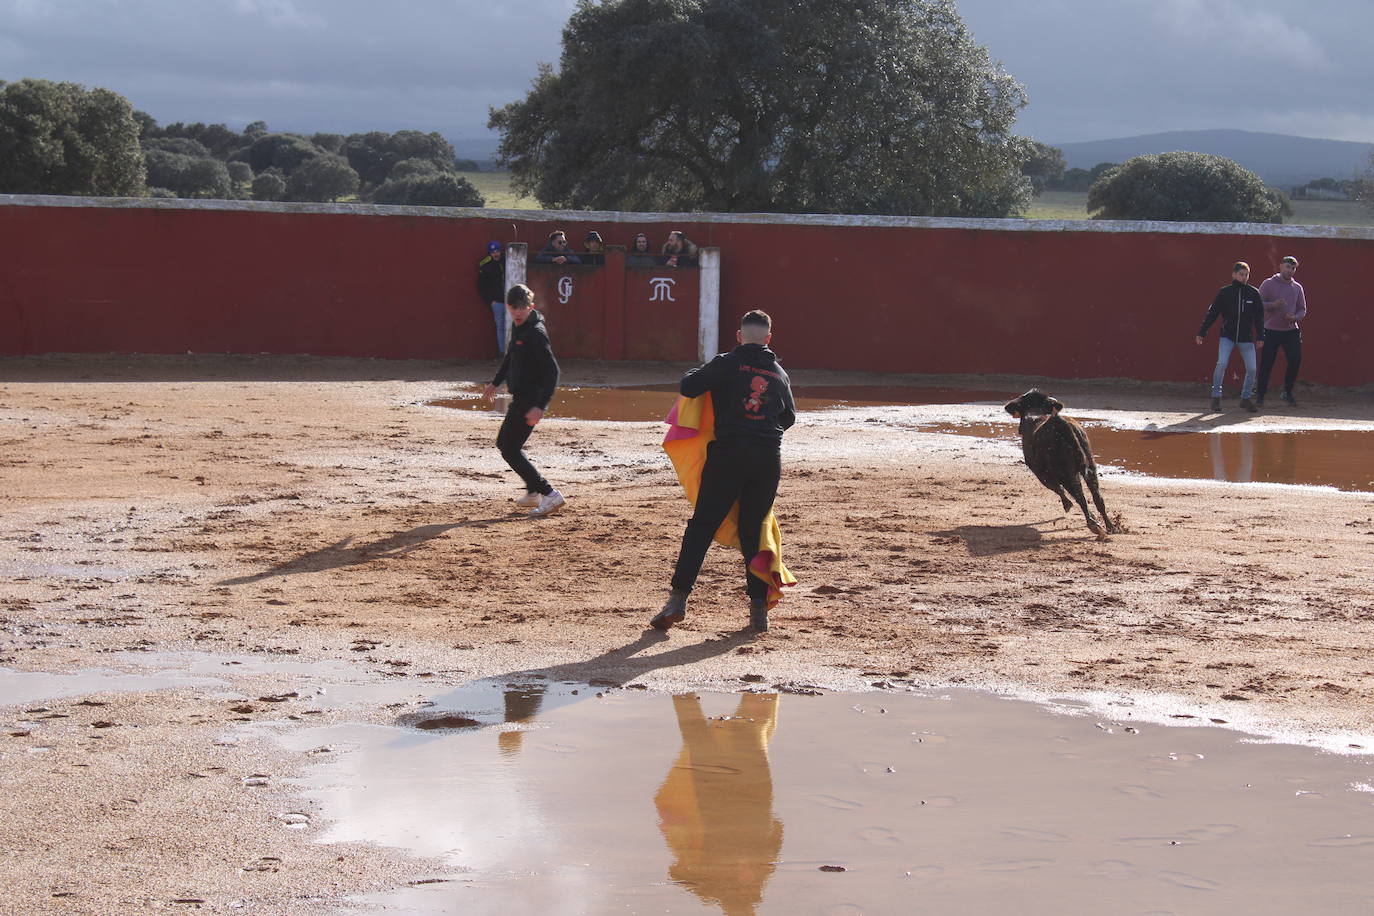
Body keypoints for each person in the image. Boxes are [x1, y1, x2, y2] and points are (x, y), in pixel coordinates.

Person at [653, 310, 795, 633]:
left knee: (702, 526)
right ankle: (758, 612)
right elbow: (788, 418)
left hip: (729, 455)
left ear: (739, 335)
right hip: (767, 460)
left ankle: (677, 599)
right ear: (769, 339)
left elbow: (689, 386)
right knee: (754, 532)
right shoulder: (779, 373)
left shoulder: (726, 363)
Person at [482, 284, 565, 518]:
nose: (517, 313)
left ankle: (548, 492)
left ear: (530, 307)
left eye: (521, 308)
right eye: (513, 308)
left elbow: (553, 372)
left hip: (530, 400)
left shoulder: (535, 333)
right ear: (508, 307)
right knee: (508, 446)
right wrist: (496, 382)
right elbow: (510, 357)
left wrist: (540, 406)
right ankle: (532, 491)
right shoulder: (520, 327)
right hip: (521, 397)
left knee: (508, 447)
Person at [1196, 261, 1265, 413]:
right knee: (1221, 363)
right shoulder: (1225, 292)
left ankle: (1245, 398)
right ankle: (1216, 397)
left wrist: (1261, 336)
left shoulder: (1254, 293)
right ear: (1233, 274)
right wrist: (1202, 332)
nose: (1244, 277)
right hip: (1228, 336)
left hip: (1246, 337)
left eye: (1246, 274)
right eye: (1241, 274)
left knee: (1252, 369)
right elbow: (1212, 313)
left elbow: (1259, 317)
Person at [1256, 255, 1307, 407]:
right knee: (1267, 363)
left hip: (1291, 330)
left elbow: (1302, 309)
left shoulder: (1297, 287)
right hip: (1271, 329)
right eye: (1287, 267)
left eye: (1292, 268)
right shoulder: (1268, 283)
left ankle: (1287, 392)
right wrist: (1273, 305)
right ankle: (1260, 395)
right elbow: (1257, 303)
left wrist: (1294, 317)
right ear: (1280, 266)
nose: (1290, 270)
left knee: (1295, 360)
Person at [476, 241, 507, 357]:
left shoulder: (506, 260)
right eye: (493, 252)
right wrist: (491, 301)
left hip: (509, 300)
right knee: (500, 326)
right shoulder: (486, 266)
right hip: (497, 301)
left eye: (497, 251)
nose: (496, 254)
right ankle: (502, 352)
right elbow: (481, 286)